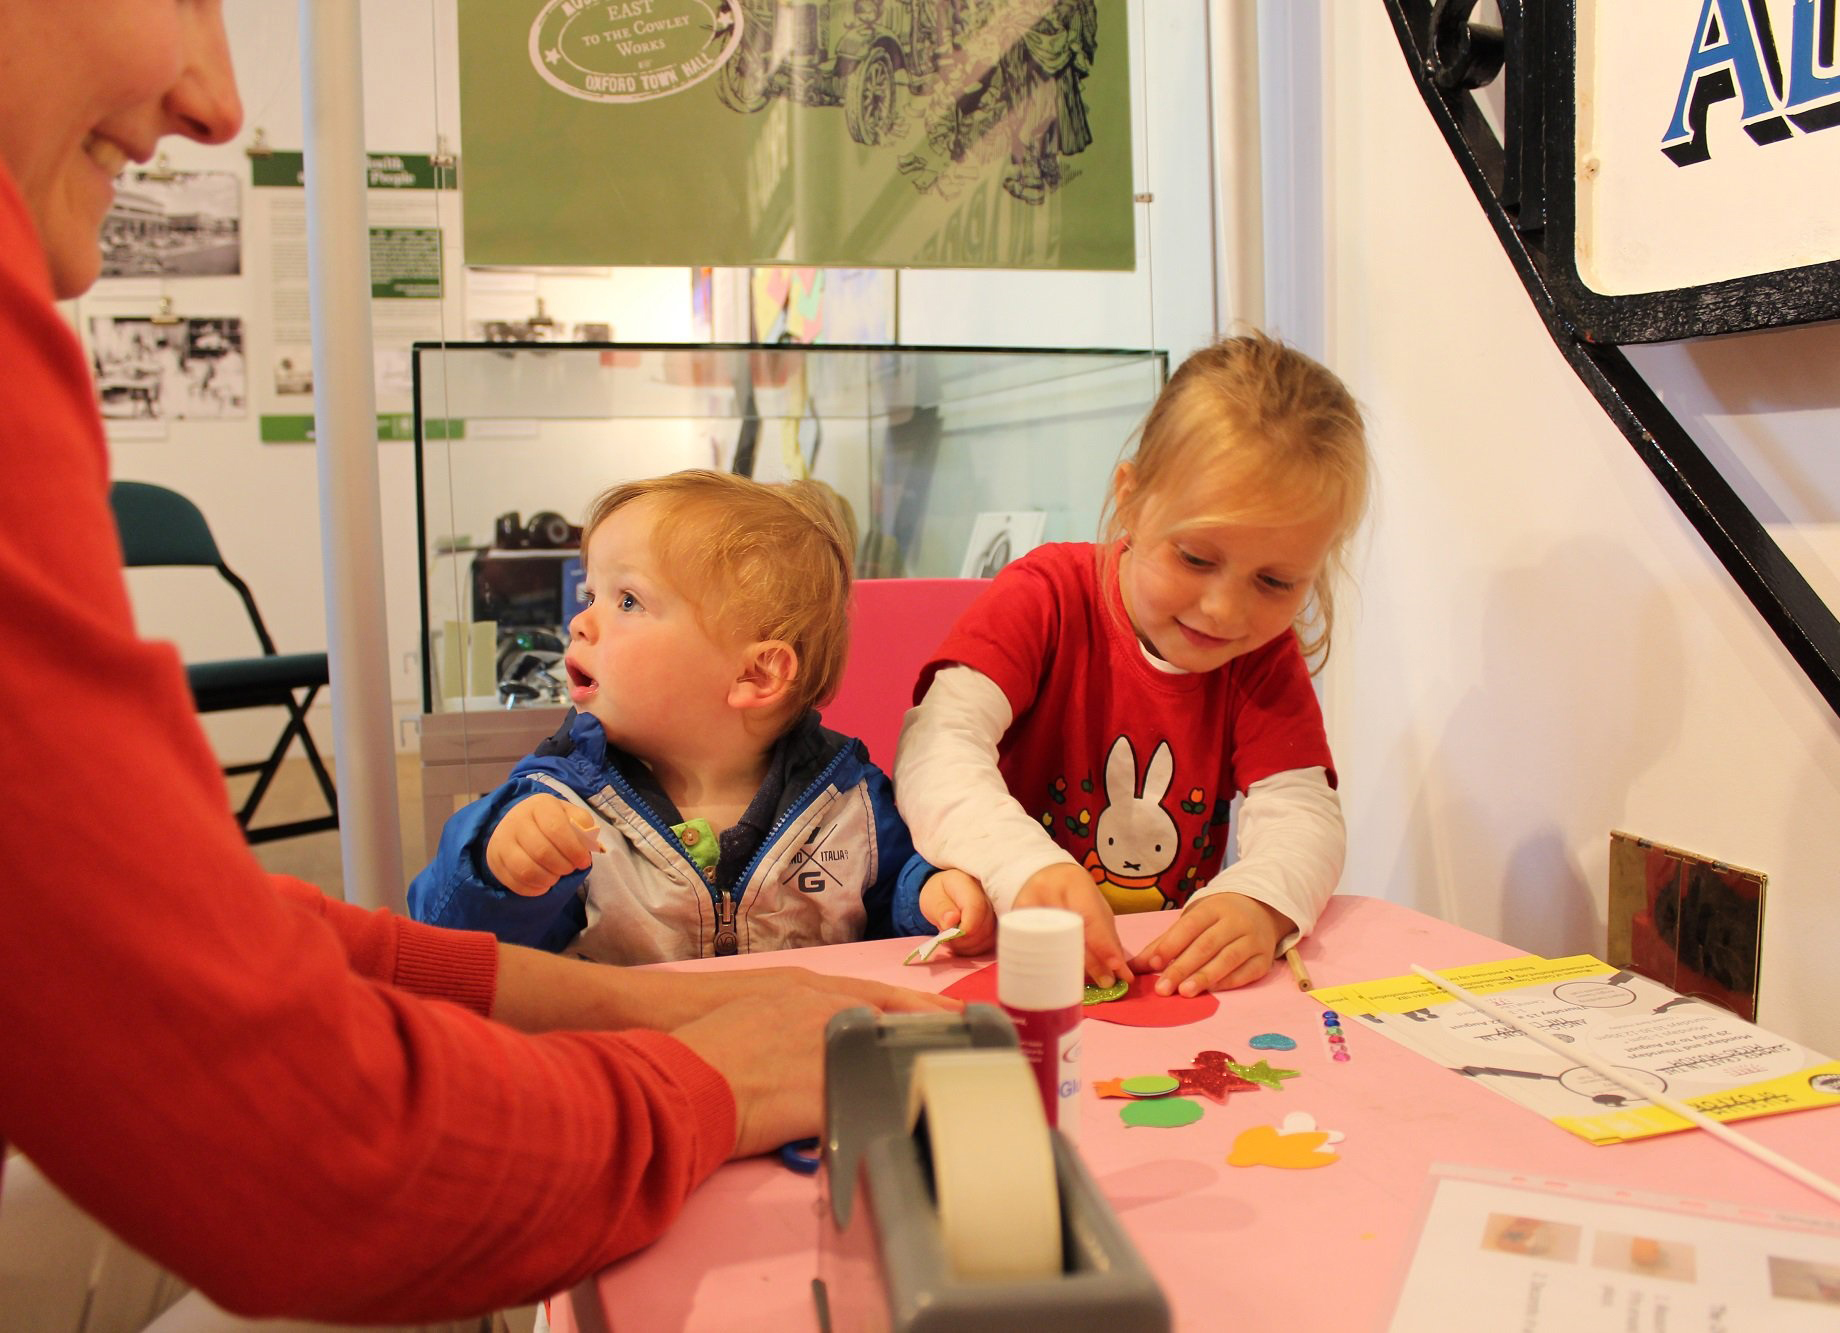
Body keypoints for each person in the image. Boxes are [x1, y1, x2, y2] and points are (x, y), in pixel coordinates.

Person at [0, 2, 950, 1325]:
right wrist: (706, 1076)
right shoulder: (562, 781)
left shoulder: (844, 780)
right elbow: (323, 1155)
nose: (220, 99)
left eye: (631, 600)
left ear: (761, 674)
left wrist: (710, 1007)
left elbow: (192, 938)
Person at [891, 332, 1370, 995]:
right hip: (1003, 964)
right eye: (1196, 558)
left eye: (1274, 582)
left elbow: (1303, 816)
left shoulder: (1262, 657)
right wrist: (1021, 866)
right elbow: (933, 752)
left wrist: (1260, 900)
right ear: (1131, 500)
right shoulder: (1045, 597)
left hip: (1148, 983)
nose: (1225, 611)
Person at [410, 470, 946, 963]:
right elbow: (454, 950)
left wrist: (927, 895)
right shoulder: (560, 801)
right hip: (629, 1060)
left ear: (756, 676)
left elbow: (895, 899)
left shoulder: (851, 803)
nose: (580, 623)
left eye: (627, 602)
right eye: (591, 594)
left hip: (800, 1054)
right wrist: (497, 870)